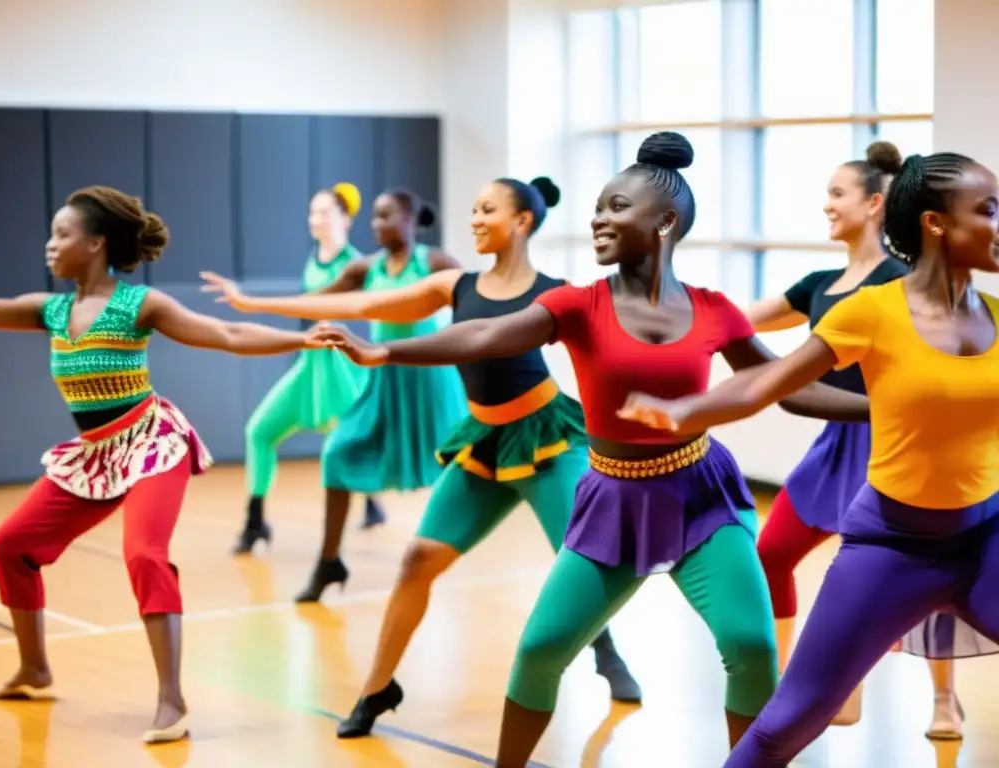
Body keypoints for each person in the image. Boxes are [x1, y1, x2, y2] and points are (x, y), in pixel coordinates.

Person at [309, 132, 873, 765]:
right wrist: (387, 350)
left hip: (699, 495)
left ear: (662, 223)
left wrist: (882, 404)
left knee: (750, 642)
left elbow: (787, 387)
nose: (598, 218)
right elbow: (485, 335)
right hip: (613, 500)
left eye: (615, 207)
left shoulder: (716, 312)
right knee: (540, 650)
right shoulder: (578, 305)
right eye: (598, 207)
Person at [207, 175, 643, 737]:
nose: (475, 218)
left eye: (488, 209)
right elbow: (361, 299)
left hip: (546, 441)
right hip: (484, 442)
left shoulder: (557, 292)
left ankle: (607, 652)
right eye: (474, 209)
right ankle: (377, 687)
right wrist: (253, 301)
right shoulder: (453, 284)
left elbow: (612, 356)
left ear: (522, 222)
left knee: (578, 558)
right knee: (417, 561)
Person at [618, 150, 999, 766]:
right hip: (893, 547)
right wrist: (690, 409)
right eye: (988, 209)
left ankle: (944, 701)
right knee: (787, 725)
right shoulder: (873, 311)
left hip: (987, 536)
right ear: (936, 224)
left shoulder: (998, 318)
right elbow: (771, 382)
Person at [0, 186, 323, 743]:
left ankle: (172, 700)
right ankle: (34, 667)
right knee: (10, 545)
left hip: (149, 444)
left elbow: (230, 334)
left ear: (95, 244)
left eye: (61, 235)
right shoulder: (52, 309)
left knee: (144, 553)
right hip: (93, 456)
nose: (49, 245)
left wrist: (304, 339)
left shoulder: (140, 305)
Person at [747, 141, 973, 738]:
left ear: (875, 204)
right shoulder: (820, 283)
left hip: (896, 446)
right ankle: (791, 678)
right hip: (833, 448)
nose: (826, 205)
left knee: (926, 581)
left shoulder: (898, 282)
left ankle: (944, 699)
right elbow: (748, 319)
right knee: (772, 553)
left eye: (836, 193)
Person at [202, 189, 468, 602]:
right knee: (338, 455)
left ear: (411, 219)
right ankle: (330, 562)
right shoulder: (366, 268)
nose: (378, 225)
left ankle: (456, 548)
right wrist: (250, 302)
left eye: (387, 217)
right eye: (375, 218)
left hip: (430, 378)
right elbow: (315, 303)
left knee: (466, 467)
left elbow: (474, 313)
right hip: (383, 376)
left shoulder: (436, 263)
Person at [233, 183, 385, 556]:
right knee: (259, 431)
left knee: (349, 440)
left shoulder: (358, 264)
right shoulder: (313, 256)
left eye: (324, 212)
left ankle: (369, 504)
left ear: (345, 220)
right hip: (310, 363)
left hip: (341, 365)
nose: (315, 220)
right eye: (312, 212)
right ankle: (255, 520)